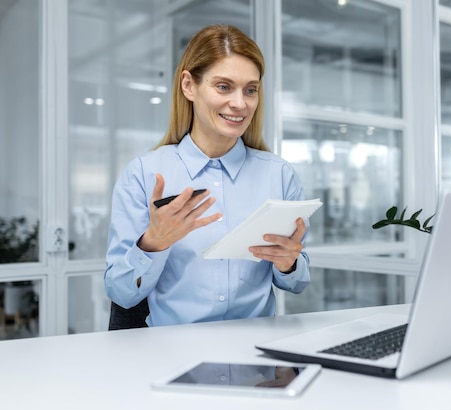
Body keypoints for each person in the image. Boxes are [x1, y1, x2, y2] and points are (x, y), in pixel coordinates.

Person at [104, 24, 311, 328]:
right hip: (171, 354)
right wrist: (152, 243)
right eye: (224, 87)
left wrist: (289, 263)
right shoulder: (144, 174)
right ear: (189, 85)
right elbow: (120, 293)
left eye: (250, 90)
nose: (240, 104)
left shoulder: (279, 175)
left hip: (256, 354)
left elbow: (297, 282)